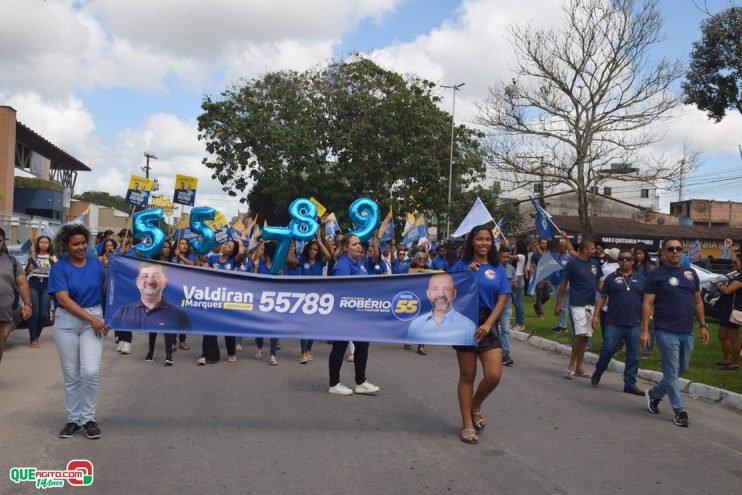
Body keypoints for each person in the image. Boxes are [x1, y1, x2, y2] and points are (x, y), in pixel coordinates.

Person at [449, 225, 510, 445]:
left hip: (487, 321)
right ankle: (467, 424)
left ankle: (476, 404)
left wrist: (488, 324)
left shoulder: (498, 267)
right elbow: (448, 290)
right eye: (479, 239)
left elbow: (502, 297)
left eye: (487, 239)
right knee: (468, 375)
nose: (483, 243)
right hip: (464, 320)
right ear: (472, 242)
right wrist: (466, 273)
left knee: (494, 375)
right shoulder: (461, 265)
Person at [642, 237, 710, 428]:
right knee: (671, 372)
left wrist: (703, 326)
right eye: (670, 249)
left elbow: (697, 301)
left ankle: (654, 394)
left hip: (686, 330)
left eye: (678, 249)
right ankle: (680, 411)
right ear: (663, 253)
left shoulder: (690, 274)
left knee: (682, 369)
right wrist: (645, 330)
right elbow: (647, 303)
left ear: (682, 252)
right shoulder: (656, 274)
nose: (675, 252)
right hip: (665, 330)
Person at [48, 223, 108, 439]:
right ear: (66, 245)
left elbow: (107, 291)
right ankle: (74, 419)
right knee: (71, 374)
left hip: (93, 318)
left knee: (90, 372)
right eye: (76, 244)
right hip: (67, 322)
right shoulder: (59, 268)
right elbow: (63, 300)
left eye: (84, 243)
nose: (81, 247)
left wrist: (105, 317)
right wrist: (92, 319)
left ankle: (88, 419)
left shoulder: (97, 264)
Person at [109, 263, 192, 366]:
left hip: (167, 310)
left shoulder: (178, 313)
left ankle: (168, 355)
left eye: (156, 275)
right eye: (145, 276)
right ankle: (150, 352)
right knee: (152, 330)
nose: (150, 281)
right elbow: (108, 326)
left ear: (165, 281)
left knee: (167, 329)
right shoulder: (124, 311)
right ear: (137, 282)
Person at [328, 234, 380, 396]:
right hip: (345, 315)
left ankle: (361, 382)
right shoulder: (342, 266)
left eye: (359, 244)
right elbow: (342, 291)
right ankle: (334, 383)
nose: (359, 246)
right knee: (339, 348)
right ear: (345, 248)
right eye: (355, 244)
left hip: (358, 314)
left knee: (363, 345)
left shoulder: (358, 262)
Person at [591, 248, 645, 395]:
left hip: (634, 323)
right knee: (608, 348)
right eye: (622, 259)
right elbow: (602, 297)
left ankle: (629, 383)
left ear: (633, 261)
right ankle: (599, 369)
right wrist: (595, 315)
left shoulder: (641, 279)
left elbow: (647, 301)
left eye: (628, 259)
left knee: (633, 355)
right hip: (614, 321)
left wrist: (648, 320)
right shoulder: (611, 278)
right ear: (618, 261)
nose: (625, 261)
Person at [554, 239, 602, 380]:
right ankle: (571, 366)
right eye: (592, 249)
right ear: (585, 250)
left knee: (586, 336)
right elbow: (563, 284)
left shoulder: (595, 264)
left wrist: (608, 296)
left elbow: (599, 284)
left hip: (590, 304)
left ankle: (580, 367)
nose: (595, 251)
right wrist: (559, 303)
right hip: (577, 303)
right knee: (580, 334)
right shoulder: (573, 263)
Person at [199, 239, 244, 365]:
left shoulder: (233, 261)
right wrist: (201, 250)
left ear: (232, 252)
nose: (225, 247)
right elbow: (203, 267)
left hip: (227, 299)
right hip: (212, 298)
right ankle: (205, 354)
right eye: (225, 244)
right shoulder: (213, 258)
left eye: (229, 246)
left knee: (227, 326)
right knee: (208, 327)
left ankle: (231, 353)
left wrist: (239, 240)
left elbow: (241, 252)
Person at [406, 272, 477, 344]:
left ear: (454, 293)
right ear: (428, 294)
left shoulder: (468, 327)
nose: (441, 294)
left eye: (446, 288)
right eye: (435, 289)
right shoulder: (415, 324)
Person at [0, 228, 33, 363]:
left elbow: (22, 284)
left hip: (3, 315)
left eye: (0, 241)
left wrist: (27, 304)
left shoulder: (12, 261)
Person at [25, 235, 57, 348]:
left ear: (49, 245)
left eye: (46, 242)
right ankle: (33, 338)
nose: (43, 244)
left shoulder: (52, 257)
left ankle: (36, 335)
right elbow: (26, 272)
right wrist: (29, 262)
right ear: (38, 243)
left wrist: (53, 263)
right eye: (41, 242)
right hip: (33, 283)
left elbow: (56, 272)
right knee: (35, 311)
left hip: (47, 284)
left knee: (43, 314)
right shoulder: (33, 255)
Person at [714, 251, 742, 371]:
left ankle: (734, 363)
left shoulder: (741, 277)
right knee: (722, 335)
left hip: (733, 310)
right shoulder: (738, 274)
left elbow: (727, 291)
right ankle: (726, 359)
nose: (734, 263)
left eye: (736, 262)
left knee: (733, 336)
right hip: (726, 309)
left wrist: (720, 286)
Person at [634, 244, 655, 359]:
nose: (638, 256)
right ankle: (639, 346)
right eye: (636, 254)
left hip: (648, 298)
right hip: (637, 297)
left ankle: (648, 350)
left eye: (640, 254)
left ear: (645, 254)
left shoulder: (650, 267)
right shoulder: (636, 266)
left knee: (648, 324)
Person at [498, 246, 516, 366]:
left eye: (508, 257)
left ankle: (505, 354)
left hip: (507, 304)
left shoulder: (511, 269)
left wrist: (514, 285)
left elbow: (516, 286)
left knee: (505, 329)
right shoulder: (493, 267)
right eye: (503, 257)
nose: (506, 259)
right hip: (493, 304)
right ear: (499, 255)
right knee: (491, 329)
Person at [511, 240, 527, 331]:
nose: (515, 248)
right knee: (516, 302)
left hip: (518, 278)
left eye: (516, 247)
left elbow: (508, 257)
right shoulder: (522, 256)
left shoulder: (521, 256)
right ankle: (518, 323)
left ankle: (520, 324)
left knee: (518, 302)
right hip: (518, 278)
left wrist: (506, 245)